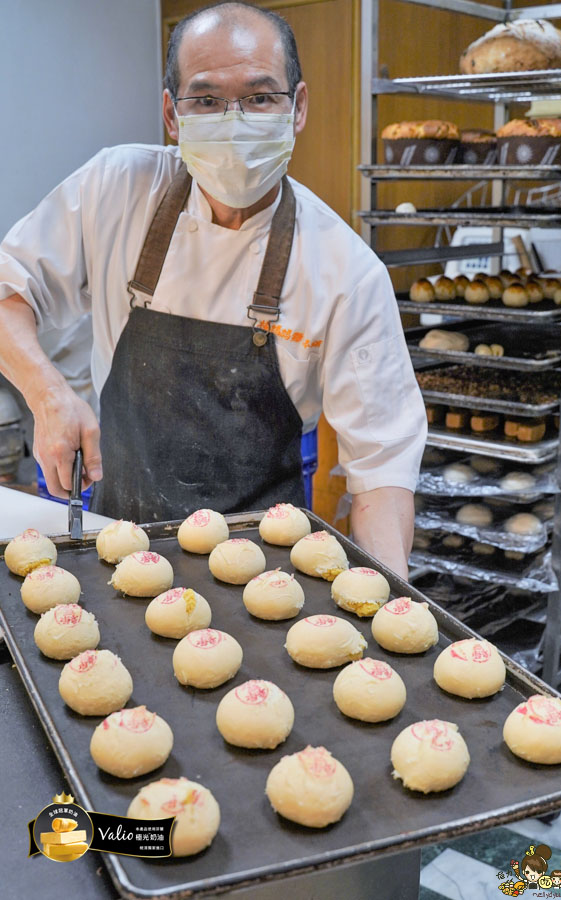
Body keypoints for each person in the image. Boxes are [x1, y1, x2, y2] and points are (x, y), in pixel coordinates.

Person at [0, 1, 426, 576]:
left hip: (265, 578)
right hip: (120, 547)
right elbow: (9, 288)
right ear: (173, 116)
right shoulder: (115, 190)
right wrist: (47, 392)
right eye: (206, 100)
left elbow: (380, 473)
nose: (234, 121)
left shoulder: (346, 272)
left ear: (297, 107)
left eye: (259, 96)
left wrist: (389, 606)